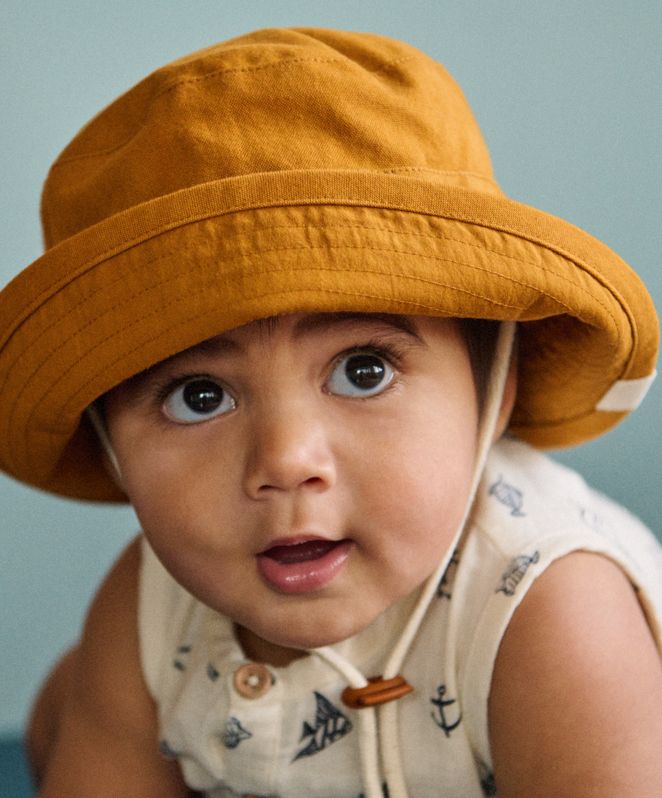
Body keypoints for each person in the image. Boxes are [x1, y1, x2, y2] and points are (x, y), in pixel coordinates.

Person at [2, 27, 661, 798]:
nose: (285, 460)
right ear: (107, 436)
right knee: (70, 706)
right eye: (200, 396)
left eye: (363, 370)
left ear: (496, 392)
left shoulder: (547, 608)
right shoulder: (151, 602)